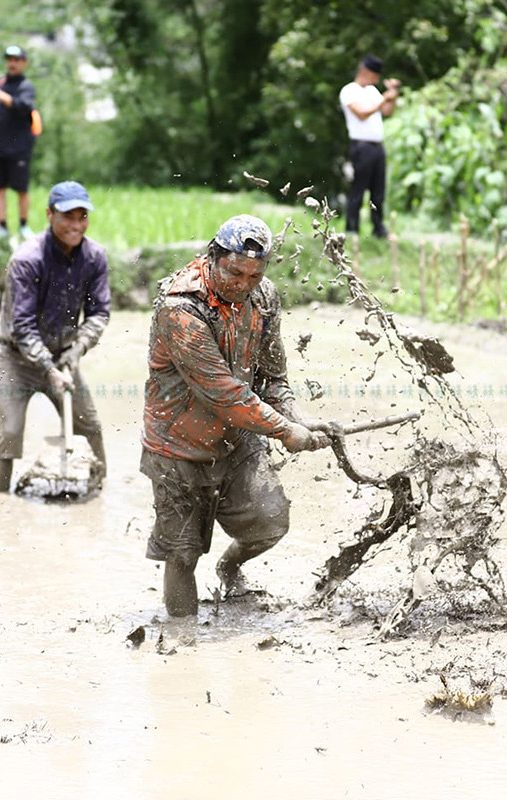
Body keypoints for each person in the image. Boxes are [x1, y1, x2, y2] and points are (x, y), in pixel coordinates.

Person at [140, 214, 332, 617]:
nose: (243, 285)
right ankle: (183, 642)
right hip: (177, 445)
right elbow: (223, 394)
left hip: (236, 438)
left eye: (254, 275)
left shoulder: (264, 299)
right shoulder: (180, 309)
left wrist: (298, 419)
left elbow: (273, 377)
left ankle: (229, 567)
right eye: (234, 272)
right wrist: (285, 431)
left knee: (271, 520)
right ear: (214, 257)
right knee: (183, 553)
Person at [0, 181, 109, 494]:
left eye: (82, 216)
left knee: (89, 426)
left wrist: (79, 347)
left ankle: (99, 495)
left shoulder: (95, 257)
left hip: (64, 355)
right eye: (67, 216)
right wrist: (48, 368)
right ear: (49, 215)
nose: (75, 224)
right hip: (15, 357)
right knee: (10, 432)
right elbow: (23, 326)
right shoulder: (27, 260)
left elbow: (99, 313)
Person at [0, 45, 38, 242]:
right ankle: (2, 227)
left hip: (19, 146)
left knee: (21, 189)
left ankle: (23, 226)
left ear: (23, 62)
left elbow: (24, 107)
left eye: (16, 59)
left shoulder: (26, 86)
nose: (12, 63)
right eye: (9, 59)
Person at [339, 54, 400, 239]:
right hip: (361, 146)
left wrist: (393, 96)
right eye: (375, 75)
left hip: (377, 147)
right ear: (365, 71)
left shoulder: (373, 91)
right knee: (359, 188)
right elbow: (362, 113)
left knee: (378, 190)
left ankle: (378, 228)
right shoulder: (349, 91)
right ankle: (352, 228)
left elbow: (387, 112)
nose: (377, 79)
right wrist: (384, 99)